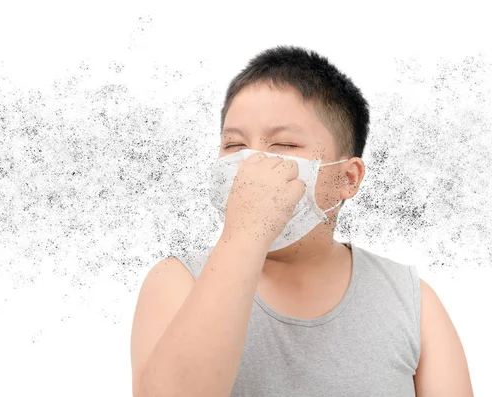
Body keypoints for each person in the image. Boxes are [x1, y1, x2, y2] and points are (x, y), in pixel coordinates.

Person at [130, 45, 473, 396]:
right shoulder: (176, 281)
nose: (251, 164)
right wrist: (247, 232)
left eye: (283, 145)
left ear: (348, 178)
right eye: (234, 146)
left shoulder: (410, 300)